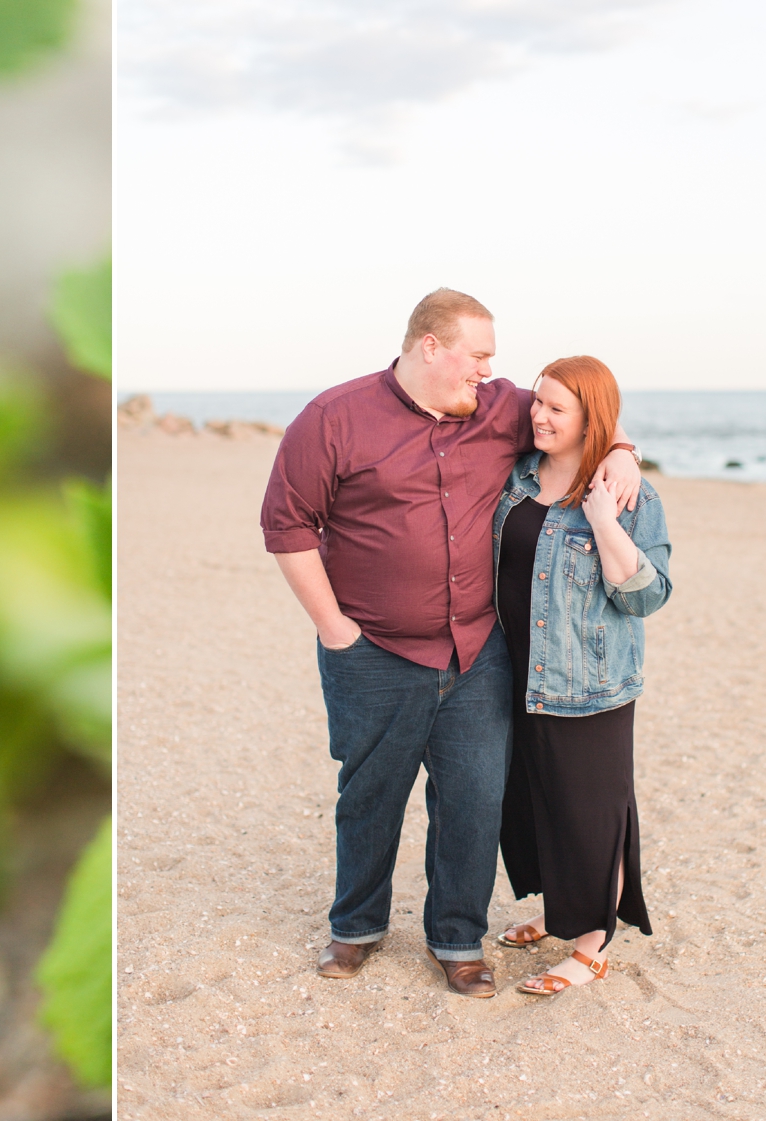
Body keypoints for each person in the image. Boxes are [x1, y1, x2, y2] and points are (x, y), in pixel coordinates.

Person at [260, 289, 644, 997]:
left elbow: (576, 413)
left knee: (472, 798)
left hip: (477, 653)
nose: (490, 372)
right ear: (430, 346)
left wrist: (620, 449)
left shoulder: (499, 408)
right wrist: (335, 630)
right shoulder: (332, 417)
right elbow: (286, 525)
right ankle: (356, 926)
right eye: (479, 355)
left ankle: (458, 938)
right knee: (370, 793)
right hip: (370, 651)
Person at [491, 356, 671, 994]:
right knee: (534, 799)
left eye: (556, 408)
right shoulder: (515, 476)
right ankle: (557, 911)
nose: (538, 415)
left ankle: (592, 942)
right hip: (509, 670)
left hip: (588, 681)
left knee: (590, 810)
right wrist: (624, 445)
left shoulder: (630, 496)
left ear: (589, 418)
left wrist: (600, 519)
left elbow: (647, 596)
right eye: (537, 402)